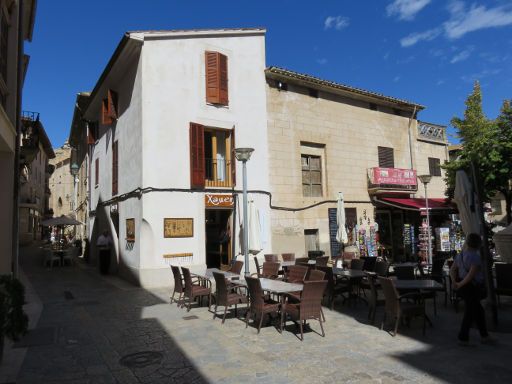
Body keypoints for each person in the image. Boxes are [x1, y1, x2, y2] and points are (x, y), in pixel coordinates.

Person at [450, 233, 493, 345]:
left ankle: (484, 336)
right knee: (470, 312)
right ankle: (463, 337)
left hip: (463, 287)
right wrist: (459, 284)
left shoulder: (460, 255)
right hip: (471, 287)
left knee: (478, 311)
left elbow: (452, 269)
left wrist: (455, 282)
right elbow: (471, 275)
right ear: (478, 244)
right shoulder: (475, 257)